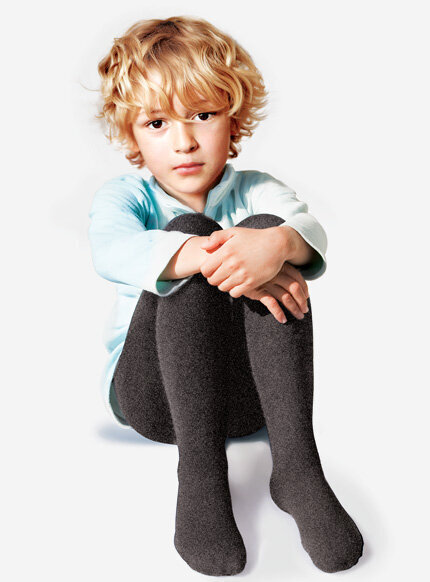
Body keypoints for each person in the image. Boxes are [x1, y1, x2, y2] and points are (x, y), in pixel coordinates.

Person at [88, 15, 363, 577]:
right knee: (189, 233)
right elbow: (112, 250)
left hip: (249, 403)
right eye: (157, 123)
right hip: (154, 402)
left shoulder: (256, 188)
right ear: (132, 136)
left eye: (203, 115)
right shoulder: (125, 196)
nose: (184, 141)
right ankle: (201, 476)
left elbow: (307, 228)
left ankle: (297, 467)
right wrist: (221, 257)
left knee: (266, 228)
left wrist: (276, 245)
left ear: (233, 119)